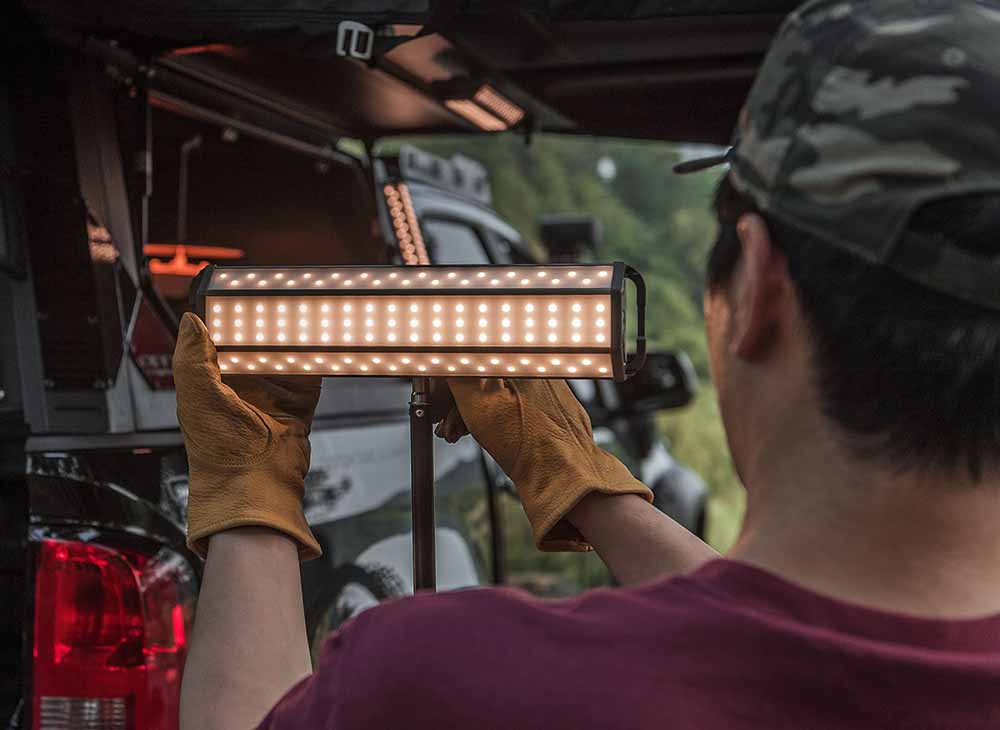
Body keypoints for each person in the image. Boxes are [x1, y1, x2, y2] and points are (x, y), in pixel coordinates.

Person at [174, 1, 1000, 727]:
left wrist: (249, 486)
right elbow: (797, 654)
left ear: (755, 287)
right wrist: (587, 488)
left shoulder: (452, 684)